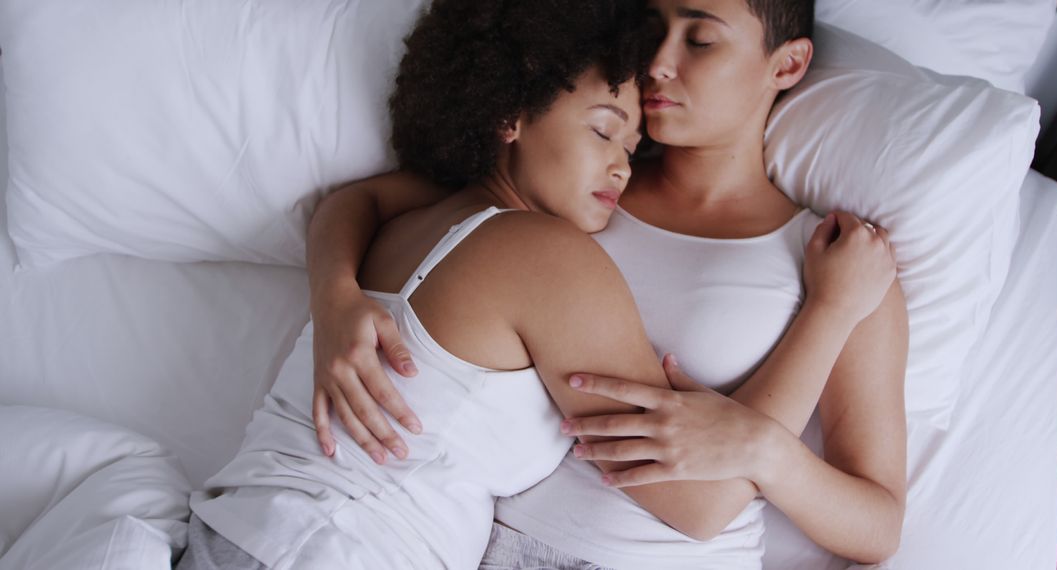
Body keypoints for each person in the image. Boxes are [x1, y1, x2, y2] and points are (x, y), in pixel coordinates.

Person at [179, 1, 893, 568]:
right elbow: (700, 503)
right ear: (510, 117)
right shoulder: (553, 223)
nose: (657, 66)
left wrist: (334, 293)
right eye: (606, 129)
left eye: (700, 40)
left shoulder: (836, 262)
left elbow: (876, 522)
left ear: (788, 62)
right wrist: (332, 295)